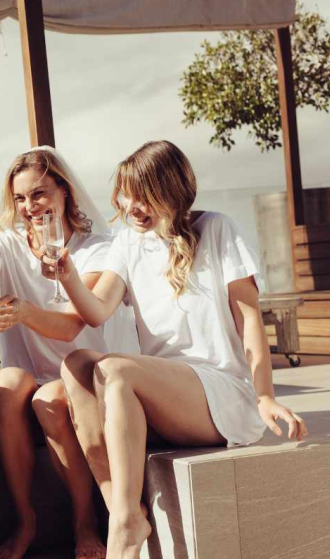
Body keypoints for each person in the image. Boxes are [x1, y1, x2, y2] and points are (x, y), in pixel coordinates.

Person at [50, 141, 308, 559]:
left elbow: (249, 321)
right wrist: (68, 277)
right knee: (77, 364)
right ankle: (123, 508)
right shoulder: (129, 243)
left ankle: (123, 527)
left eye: (142, 194)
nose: (130, 205)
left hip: (220, 394)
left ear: (170, 190)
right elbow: (96, 312)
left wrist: (264, 396)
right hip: (161, 396)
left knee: (115, 371)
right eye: (125, 193)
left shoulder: (218, 229)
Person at [0, 146, 138, 559]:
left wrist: (24, 313)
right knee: (7, 382)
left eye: (38, 194)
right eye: (19, 198)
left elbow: (75, 322)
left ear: (64, 191)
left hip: (88, 374)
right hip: (36, 374)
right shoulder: (11, 243)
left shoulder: (99, 248)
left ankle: (85, 522)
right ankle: (27, 520)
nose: (29, 207)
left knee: (50, 398)